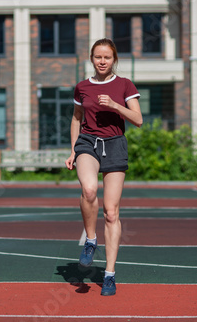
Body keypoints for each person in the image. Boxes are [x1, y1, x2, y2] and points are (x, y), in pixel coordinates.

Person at [65, 38, 142, 296]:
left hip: (115, 144)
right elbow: (76, 119)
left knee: (111, 212)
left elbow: (138, 120)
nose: (102, 61)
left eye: (107, 57)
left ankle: (109, 274)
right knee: (88, 190)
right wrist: (73, 148)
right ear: (91, 58)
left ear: (114, 59)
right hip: (88, 142)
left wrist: (116, 106)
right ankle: (90, 240)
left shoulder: (124, 84)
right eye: (98, 57)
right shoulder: (82, 87)